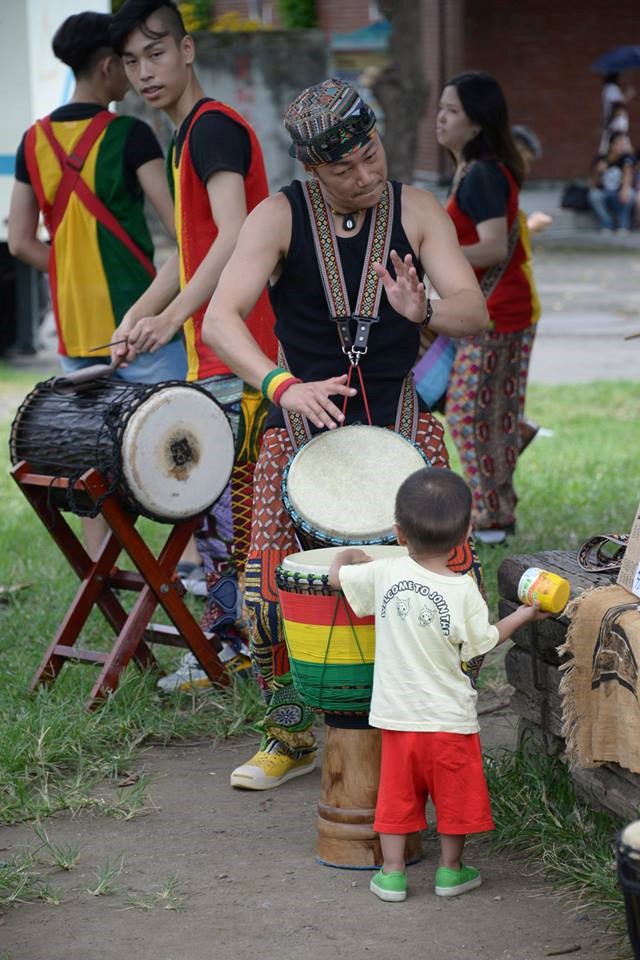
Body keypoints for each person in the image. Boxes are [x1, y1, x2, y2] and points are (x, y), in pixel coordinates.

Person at [200, 77, 489, 790]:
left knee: (442, 583)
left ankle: (420, 728)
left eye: (370, 154)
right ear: (311, 170)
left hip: (398, 426)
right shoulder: (277, 217)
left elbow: (473, 311)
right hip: (299, 429)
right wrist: (282, 386)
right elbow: (220, 320)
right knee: (269, 585)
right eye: (343, 168)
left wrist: (423, 310)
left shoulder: (416, 209)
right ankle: (291, 732)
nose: (365, 175)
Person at [109, 0, 277, 685]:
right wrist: (139, 317)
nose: (144, 72)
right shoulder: (184, 138)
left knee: (232, 507)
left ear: (186, 50)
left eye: (155, 53)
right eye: (130, 61)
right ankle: (236, 641)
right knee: (221, 505)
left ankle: (237, 646)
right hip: (214, 348)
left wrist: (174, 312)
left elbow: (236, 233)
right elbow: (188, 249)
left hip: (243, 348)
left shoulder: (211, 130)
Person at [7, 10, 185, 559]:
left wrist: (70, 275)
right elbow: (181, 226)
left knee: (89, 452)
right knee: (179, 436)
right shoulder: (130, 135)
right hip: (143, 322)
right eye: (126, 63)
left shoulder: (33, 140)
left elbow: (19, 241)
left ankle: (100, 563)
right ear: (108, 65)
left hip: (74, 327)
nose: (133, 75)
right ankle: (196, 559)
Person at [327, 467, 547, 902]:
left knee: (396, 798)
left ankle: (391, 874)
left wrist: (347, 556)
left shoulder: (385, 572)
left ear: (398, 533)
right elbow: (481, 644)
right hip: (449, 721)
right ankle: (451, 872)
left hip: (397, 717)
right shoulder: (463, 589)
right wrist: (523, 615)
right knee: (453, 799)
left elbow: (336, 580)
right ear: (467, 533)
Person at [436, 71, 540, 545]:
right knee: (484, 410)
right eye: (441, 108)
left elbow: (494, 247)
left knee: (464, 413)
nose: (441, 118)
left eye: (452, 111)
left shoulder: (481, 174)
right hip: (495, 309)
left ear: (476, 123)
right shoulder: (475, 171)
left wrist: (434, 256)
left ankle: (492, 517)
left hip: (499, 312)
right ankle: (511, 440)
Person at [588, 131, 637, 233]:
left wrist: (624, 189)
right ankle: (607, 223)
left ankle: (623, 224)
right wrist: (598, 172)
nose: (624, 146)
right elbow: (592, 184)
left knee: (630, 194)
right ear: (612, 145)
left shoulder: (627, 158)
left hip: (619, 193)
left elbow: (629, 174)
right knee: (593, 195)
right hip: (605, 192)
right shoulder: (601, 158)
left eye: (625, 143)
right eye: (621, 143)